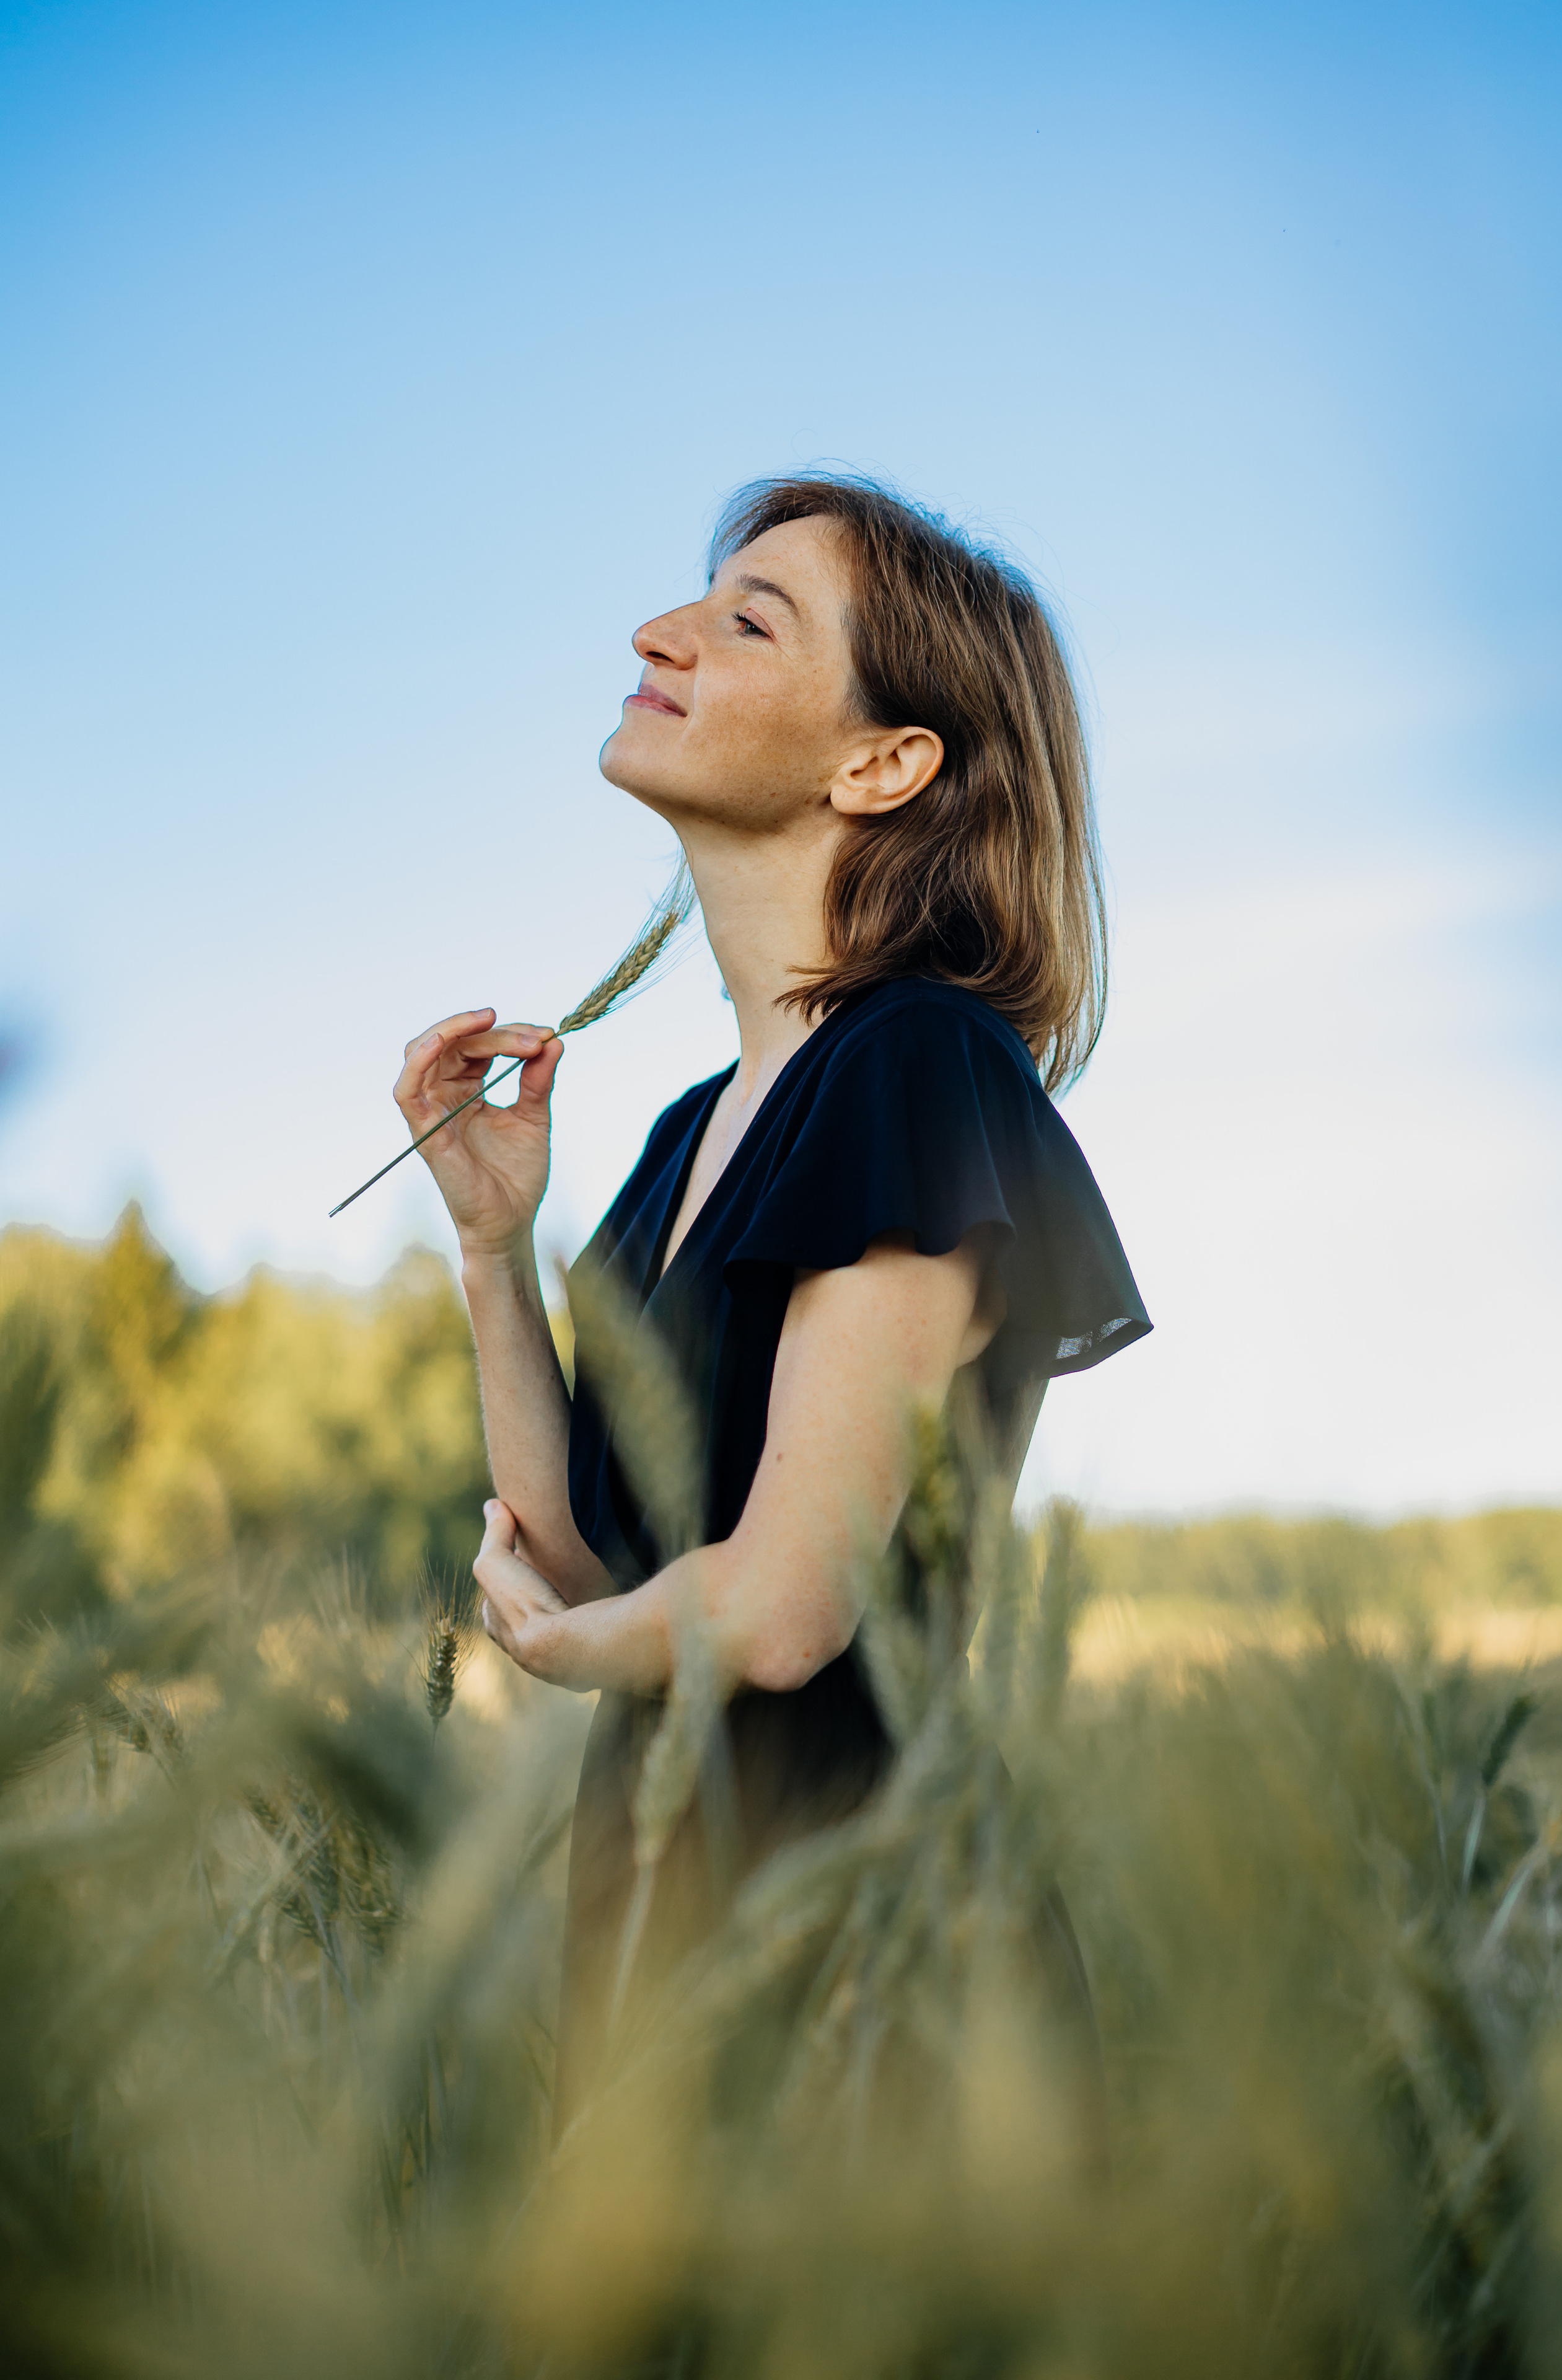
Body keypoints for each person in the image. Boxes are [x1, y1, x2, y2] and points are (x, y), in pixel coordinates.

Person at [393, 475, 1151, 2135]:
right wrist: (492, 1251)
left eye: (750, 620)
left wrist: (576, 1654)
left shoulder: (918, 1070)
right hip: (670, 1947)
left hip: (872, 1984)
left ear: (884, 763)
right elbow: (596, 1550)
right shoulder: (682, 1137)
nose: (658, 635)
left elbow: (789, 1600)